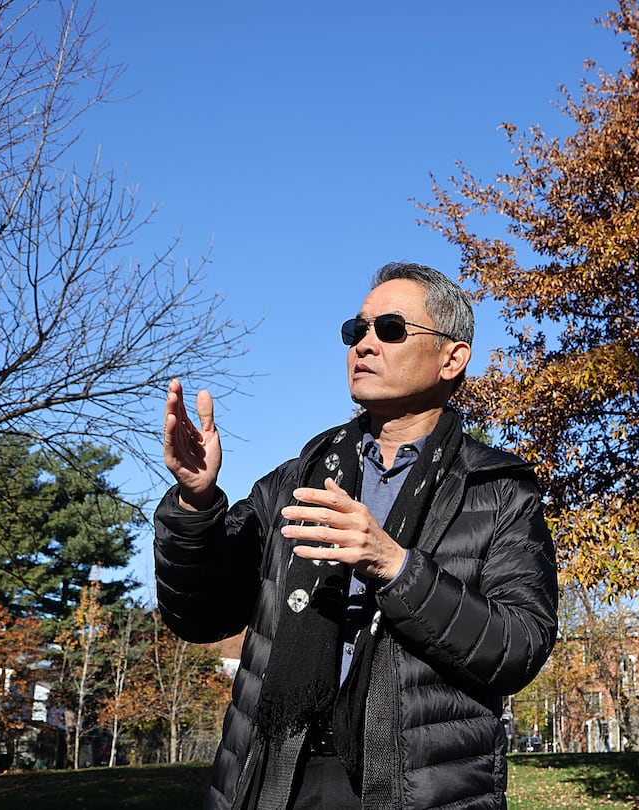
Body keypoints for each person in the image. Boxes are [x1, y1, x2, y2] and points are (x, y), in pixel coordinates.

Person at [154, 262, 558, 810]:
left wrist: (397, 566)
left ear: (452, 358)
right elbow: (200, 615)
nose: (364, 345)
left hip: (414, 790)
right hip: (277, 778)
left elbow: (520, 648)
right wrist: (196, 505)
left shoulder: (496, 490)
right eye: (356, 330)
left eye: (389, 329)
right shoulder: (297, 480)